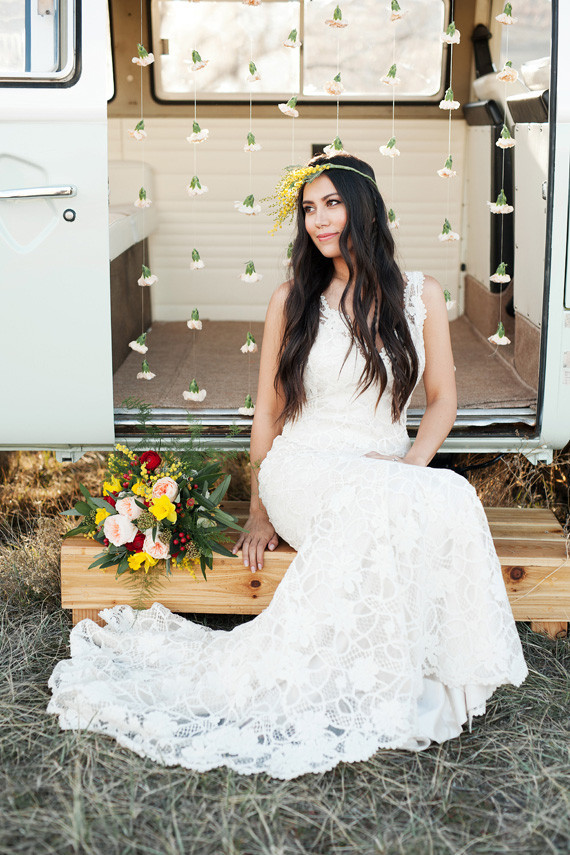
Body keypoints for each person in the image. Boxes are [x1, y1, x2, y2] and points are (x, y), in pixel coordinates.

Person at [48, 153, 528, 781]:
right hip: (303, 469)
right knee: (397, 502)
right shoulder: (292, 300)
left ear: (366, 206)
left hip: (383, 471)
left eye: (332, 203)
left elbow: (444, 400)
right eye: (309, 209)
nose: (319, 221)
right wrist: (258, 509)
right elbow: (268, 417)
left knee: (449, 493)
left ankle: (420, 670)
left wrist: (411, 465)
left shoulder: (420, 295)